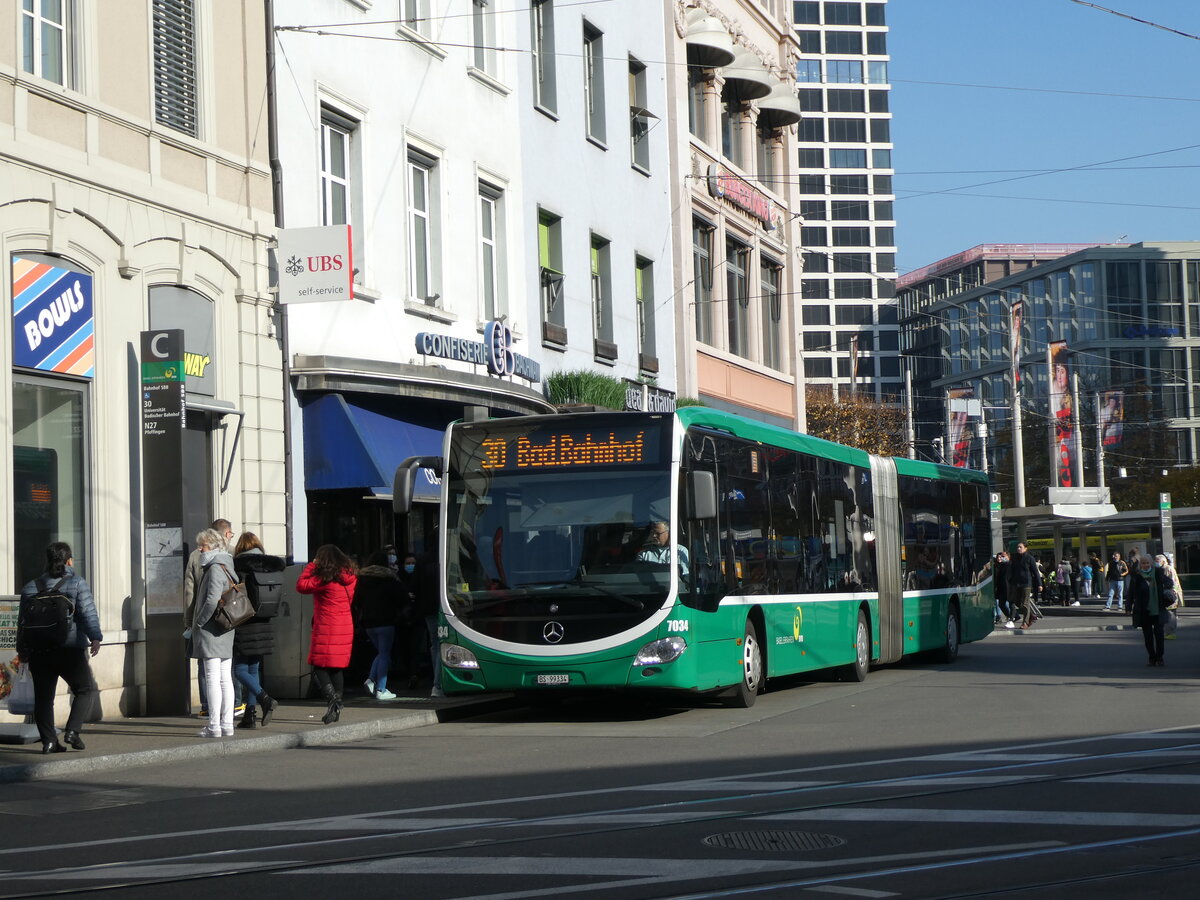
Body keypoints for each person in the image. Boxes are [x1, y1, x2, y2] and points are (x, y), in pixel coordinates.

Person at [17, 542, 102, 754]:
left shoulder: (30, 587)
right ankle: (72, 731)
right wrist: (95, 638)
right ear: (69, 560)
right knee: (83, 689)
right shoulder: (76, 583)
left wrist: (23, 651)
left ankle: (49, 742)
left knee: (44, 699)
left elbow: (22, 623)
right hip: (69, 649)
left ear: (46, 561)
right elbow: (87, 612)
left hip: (39, 651)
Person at [296, 544, 357, 723]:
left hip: (327, 625)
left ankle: (334, 701)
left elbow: (301, 585)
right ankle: (336, 708)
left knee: (319, 665)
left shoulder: (324, 578)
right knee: (336, 668)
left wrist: (312, 566)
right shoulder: (350, 577)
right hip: (345, 625)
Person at [183, 517, 235, 718]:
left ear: (211, 547)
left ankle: (215, 724)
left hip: (212, 629)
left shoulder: (214, 567)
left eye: (202, 546)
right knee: (224, 678)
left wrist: (197, 622)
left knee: (213, 677)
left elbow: (207, 598)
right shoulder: (227, 561)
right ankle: (226, 723)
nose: (199, 550)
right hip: (225, 626)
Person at [231, 532, 282, 729]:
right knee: (253, 668)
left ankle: (264, 698)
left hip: (244, 620)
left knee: (239, 669)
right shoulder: (271, 567)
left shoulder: (239, 566)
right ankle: (249, 716)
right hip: (266, 621)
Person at [354, 551, 404, 701]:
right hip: (386, 621)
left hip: (369, 623)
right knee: (384, 654)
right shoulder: (389, 579)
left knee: (381, 653)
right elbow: (402, 598)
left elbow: (356, 601)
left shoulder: (362, 579)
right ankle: (381, 689)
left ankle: (371, 681)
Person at [1128, 553, 1172, 666]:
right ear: (1140, 565)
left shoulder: (1158, 573)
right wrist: (1128, 606)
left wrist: (1165, 586)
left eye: (1147, 563)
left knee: (1159, 634)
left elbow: (1169, 582)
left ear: (1151, 563)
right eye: (1143, 563)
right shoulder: (1137, 576)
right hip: (1143, 609)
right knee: (1147, 636)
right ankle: (1152, 657)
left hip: (1158, 608)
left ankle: (1160, 657)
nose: (1145, 565)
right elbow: (1131, 592)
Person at [415, 536, 443, 698]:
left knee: (435, 644)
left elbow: (415, 585)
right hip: (443, 607)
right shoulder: (445, 556)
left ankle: (436, 680)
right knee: (442, 644)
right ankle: (438, 683)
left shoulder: (422, 560)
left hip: (427, 609)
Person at [1008, 542, 1041, 630]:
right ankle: (1032, 616)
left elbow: (1035, 572)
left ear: (1025, 548)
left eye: (1020, 547)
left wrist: (1039, 584)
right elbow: (1012, 570)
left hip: (1026, 583)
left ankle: (1025, 623)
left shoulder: (1029, 558)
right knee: (1017, 602)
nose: (1018, 548)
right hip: (1016, 583)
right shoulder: (1014, 557)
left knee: (1025, 603)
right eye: (1017, 547)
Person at [994, 551, 1011, 623]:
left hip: (1009, 587)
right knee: (1000, 603)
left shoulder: (1010, 565)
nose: (1001, 558)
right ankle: (1011, 616)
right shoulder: (998, 566)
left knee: (1012, 603)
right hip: (1001, 587)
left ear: (1008, 557)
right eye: (1000, 557)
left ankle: (1011, 617)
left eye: (1003, 556)